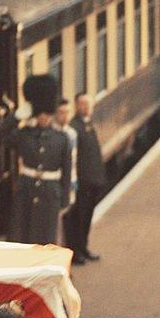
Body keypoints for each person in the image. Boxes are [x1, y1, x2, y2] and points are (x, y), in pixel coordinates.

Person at [0, 74, 72, 245]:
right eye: (40, 114)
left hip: (50, 194)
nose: (44, 117)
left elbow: (66, 171)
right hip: (26, 190)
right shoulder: (24, 136)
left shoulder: (62, 138)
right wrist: (16, 117)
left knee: (47, 242)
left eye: (47, 114)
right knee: (21, 239)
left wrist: (64, 200)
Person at [67, 93, 105, 264]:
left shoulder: (88, 124)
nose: (85, 107)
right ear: (76, 106)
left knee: (87, 217)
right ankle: (75, 252)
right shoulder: (74, 127)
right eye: (82, 104)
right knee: (77, 218)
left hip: (92, 181)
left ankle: (83, 247)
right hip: (81, 183)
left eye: (88, 104)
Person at [55, 99, 78, 251]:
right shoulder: (54, 134)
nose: (65, 116)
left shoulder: (72, 133)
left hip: (72, 181)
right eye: (61, 113)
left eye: (67, 113)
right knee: (57, 226)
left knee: (68, 223)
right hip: (57, 184)